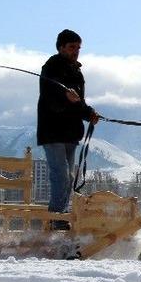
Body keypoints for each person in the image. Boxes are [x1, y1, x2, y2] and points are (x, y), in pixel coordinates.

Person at [37, 29, 98, 230]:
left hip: (70, 133)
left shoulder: (77, 73)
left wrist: (89, 113)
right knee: (61, 175)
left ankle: (60, 215)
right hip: (52, 132)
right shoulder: (51, 68)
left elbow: (79, 103)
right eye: (72, 47)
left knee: (70, 177)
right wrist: (66, 98)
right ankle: (57, 218)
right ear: (61, 47)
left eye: (78, 47)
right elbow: (50, 101)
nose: (76, 51)